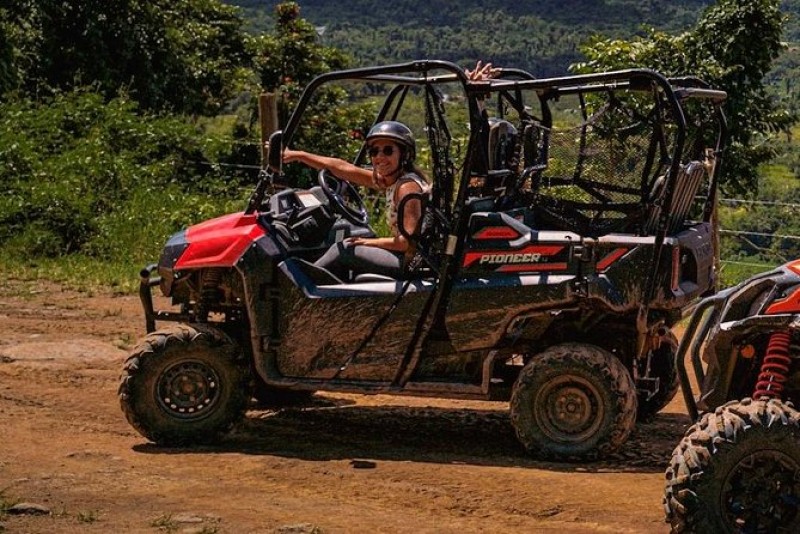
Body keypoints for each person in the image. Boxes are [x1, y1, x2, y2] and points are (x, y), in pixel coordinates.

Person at [282, 120, 429, 281]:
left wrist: (367, 243)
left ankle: (300, 289)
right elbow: (343, 168)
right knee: (356, 239)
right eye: (374, 151)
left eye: (388, 150)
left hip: (412, 263)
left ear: (405, 154)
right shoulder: (391, 180)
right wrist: (299, 155)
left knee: (345, 248)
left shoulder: (407, 187)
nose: (380, 157)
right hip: (407, 257)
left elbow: (407, 243)